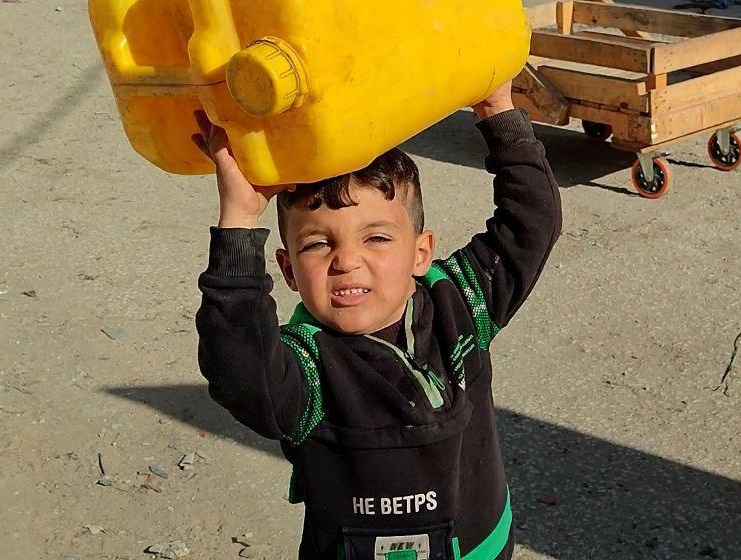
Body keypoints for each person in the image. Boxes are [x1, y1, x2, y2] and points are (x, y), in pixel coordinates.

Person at [192, 82, 561, 560]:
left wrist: (497, 112)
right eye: (317, 244)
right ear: (286, 270)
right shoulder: (303, 369)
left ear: (421, 252)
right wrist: (238, 222)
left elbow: (530, 224)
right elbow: (237, 366)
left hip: (487, 548)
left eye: (377, 238)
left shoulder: (461, 301)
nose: (347, 260)